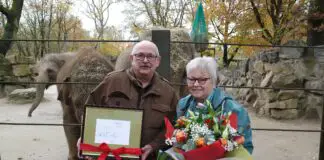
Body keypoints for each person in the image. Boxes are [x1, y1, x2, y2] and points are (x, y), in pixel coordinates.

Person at [79, 40, 179, 160]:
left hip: (148, 156)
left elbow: (172, 127)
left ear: (158, 61)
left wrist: (154, 146)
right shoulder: (112, 81)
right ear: (131, 59)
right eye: (140, 55)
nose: (145, 60)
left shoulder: (168, 92)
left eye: (150, 56)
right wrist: (86, 138)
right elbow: (89, 113)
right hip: (111, 156)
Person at [176, 56, 254, 154]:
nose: (195, 84)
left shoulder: (233, 109)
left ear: (213, 81)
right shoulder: (183, 104)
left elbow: (244, 148)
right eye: (191, 79)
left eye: (202, 80)